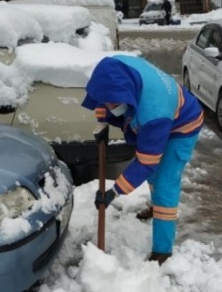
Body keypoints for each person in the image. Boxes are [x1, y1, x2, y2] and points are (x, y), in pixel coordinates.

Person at [82, 55, 204, 265]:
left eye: (115, 102)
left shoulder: (153, 113)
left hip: (183, 124)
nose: (111, 106)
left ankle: (162, 251)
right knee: (154, 175)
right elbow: (104, 95)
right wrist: (101, 123)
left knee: (165, 181)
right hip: (165, 109)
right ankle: (154, 207)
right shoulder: (116, 68)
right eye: (109, 102)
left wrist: (114, 191)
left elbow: (146, 162)